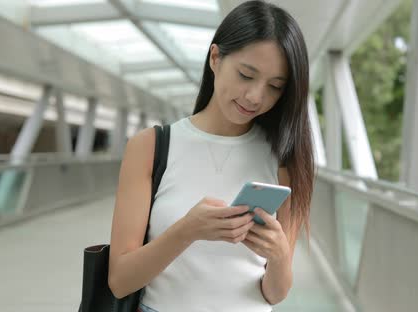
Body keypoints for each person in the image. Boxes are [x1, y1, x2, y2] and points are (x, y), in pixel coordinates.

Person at [107, 1, 315, 311]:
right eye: (246, 75)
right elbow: (120, 280)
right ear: (215, 58)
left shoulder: (285, 161)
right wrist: (187, 230)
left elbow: (275, 293)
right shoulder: (150, 146)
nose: (256, 97)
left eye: (274, 87)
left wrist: (279, 254)